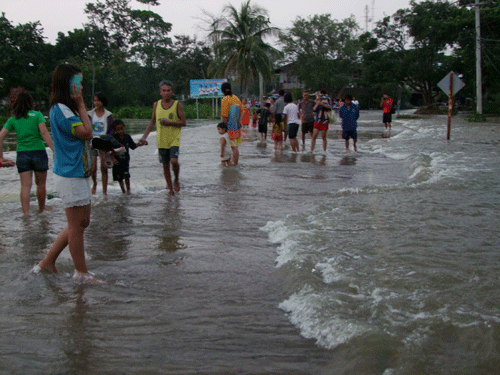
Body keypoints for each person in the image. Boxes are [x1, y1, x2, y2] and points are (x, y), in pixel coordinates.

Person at [37, 63, 100, 283]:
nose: (81, 87)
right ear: (69, 84)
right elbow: (87, 132)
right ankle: (81, 273)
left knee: (82, 222)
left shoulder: (65, 108)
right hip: (69, 174)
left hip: (77, 172)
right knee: (76, 226)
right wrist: (82, 104)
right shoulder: (62, 109)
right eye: (78, 83)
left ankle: (47, 262)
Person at [0, 92, 54, 216]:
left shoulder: (13, 119)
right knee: (40, 184)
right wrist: (54, 150)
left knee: (25, 186)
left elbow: (0, 136)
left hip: (22, 154)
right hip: (39, 152)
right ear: (31, 103)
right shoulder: (37, 115)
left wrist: (1, 157)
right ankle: (41, 210)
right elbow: (44, 133)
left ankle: (26, 214)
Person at [139, 80, 186, 196]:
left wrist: (170, 122)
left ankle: (176, 179)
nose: (166, 93)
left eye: (168, 90)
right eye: (164, 90)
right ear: (160, 92)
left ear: (172, 92)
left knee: (174, 161)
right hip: (161, 140)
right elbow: (152, 122)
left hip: (174, 139)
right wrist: (144, 137)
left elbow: (184, 122)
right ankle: (170, 189)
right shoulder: (156, 105)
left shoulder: (177, 105)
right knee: (165, 166)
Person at [87, 92, 114, 195]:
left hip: (104, 142)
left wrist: (107, 143)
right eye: (94, 100)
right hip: (92, 142)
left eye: (98, 100)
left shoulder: (108, 115)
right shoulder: (89, 114)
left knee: (104, 168)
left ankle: (104, 191)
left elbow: (111, 130)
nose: (96, 102)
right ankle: (94, 183)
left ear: (103, 102)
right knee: (92, 168)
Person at [111, 119, 143, 194]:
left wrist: (140, 144)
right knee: (119, 178)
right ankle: (123, 191)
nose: (120, 131)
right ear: (115, 130)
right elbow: (110, 150)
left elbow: (133, 146)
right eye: (118, 130)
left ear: (124, 127)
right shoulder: (113, 138)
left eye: (122, 129)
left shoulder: (127, 137)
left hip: (125, 160)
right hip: (117, 162)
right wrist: (112, 159)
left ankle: (128, 191)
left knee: (126, 176)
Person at [220, 82, 242, 166]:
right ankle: (235, 164)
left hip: (229, 128)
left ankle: (234, 165)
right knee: (235, 147)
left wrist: (223, 128)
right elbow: (242, 111)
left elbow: (224, 116)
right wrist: (239, 121)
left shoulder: (225, 99)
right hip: (236, 127)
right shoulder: (236, 98)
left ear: (222, 91)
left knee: (233, 148)